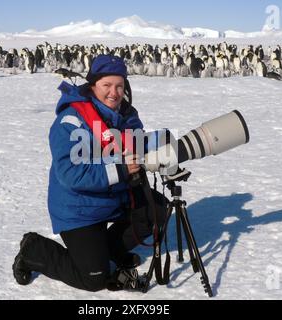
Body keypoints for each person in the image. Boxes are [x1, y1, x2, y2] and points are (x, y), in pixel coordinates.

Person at [12, 55, 167, 292]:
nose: (114, 92)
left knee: (155, 211)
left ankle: (111, 250)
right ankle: (33, 249)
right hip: (79, 208)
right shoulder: (71, 121)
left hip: (113, 197)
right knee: (94, 278)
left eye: (119, 85)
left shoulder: (126, 115)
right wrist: (121, 169)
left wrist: (163, 147)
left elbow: (137, 144)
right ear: (93, 85)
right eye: (107, 85)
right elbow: (70, 174)